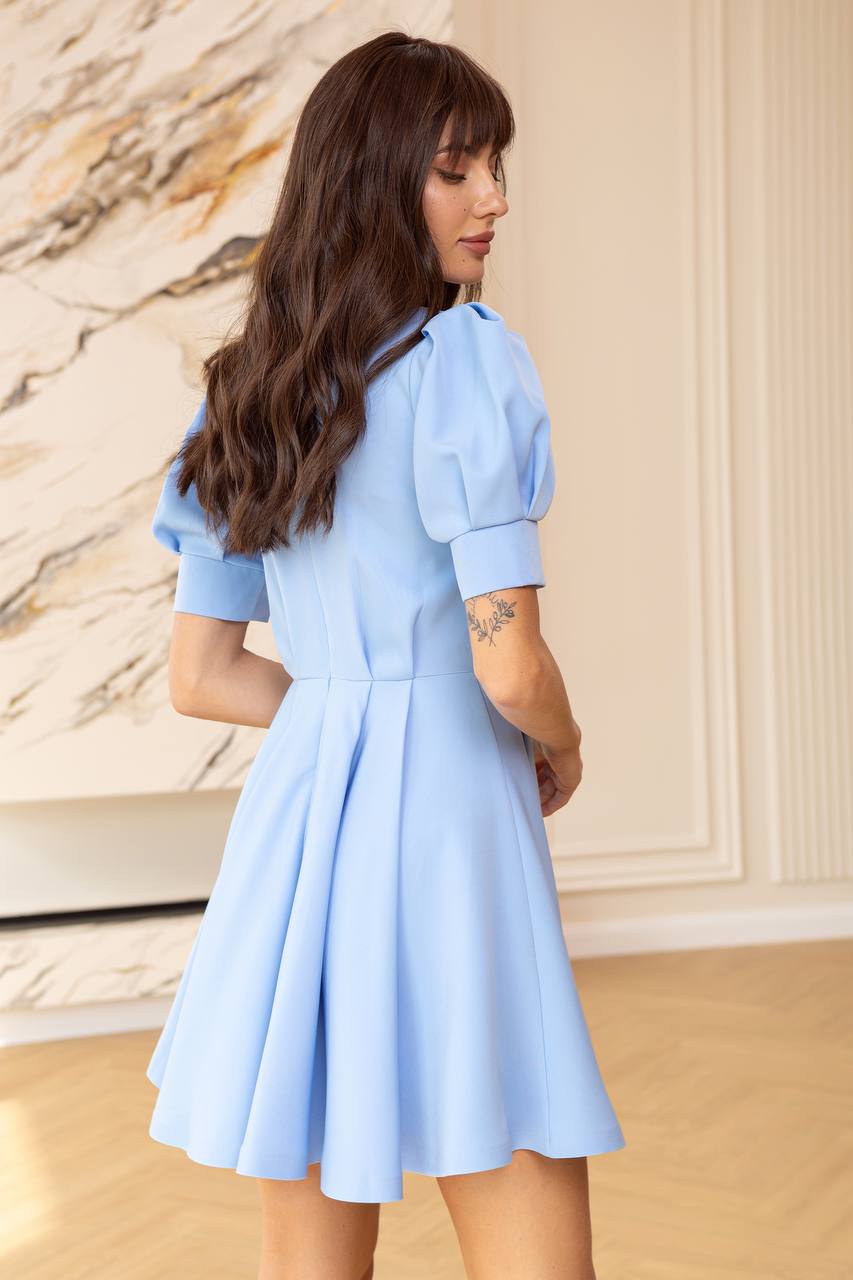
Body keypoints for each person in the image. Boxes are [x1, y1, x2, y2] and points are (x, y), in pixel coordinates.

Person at [146, 29, 625, 1280]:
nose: (494, 200)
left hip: (302, 830)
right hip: (452, 827)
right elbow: (508, 661)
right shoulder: (465, 362)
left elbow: (202, 675)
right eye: (456, 169)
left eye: (494, 167)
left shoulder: (250, 387)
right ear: (373, 180)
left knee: (311, 1254)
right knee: (523, 1208)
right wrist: (560, 744)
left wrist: (348, 708)